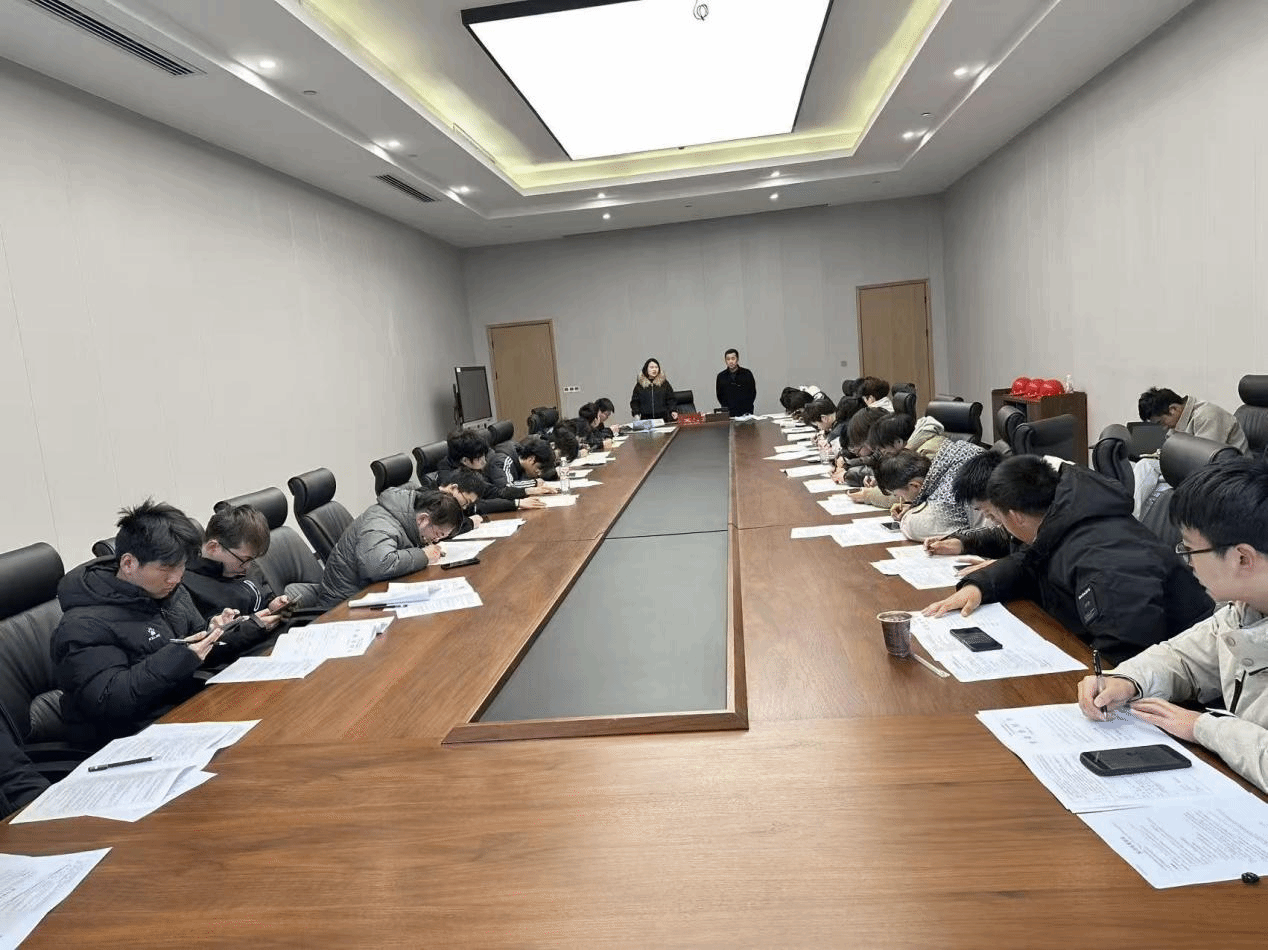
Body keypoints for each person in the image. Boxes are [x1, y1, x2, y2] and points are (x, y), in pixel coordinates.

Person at [1077, 457, 1268, 793]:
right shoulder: (1246, 608)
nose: (1187, 560)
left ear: (1242, 558)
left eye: (1191, 549)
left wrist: (1202, 728)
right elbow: (1183, 658)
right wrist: (1128, 680)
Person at [924, 455, 1215, 663]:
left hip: (1171, 680)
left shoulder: (1104, 556)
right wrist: (979, 586)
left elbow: (1125, 652)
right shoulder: (1066, 518)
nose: (998, 525)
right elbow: (1029, 562)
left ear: (1015, 516)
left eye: (995, 517)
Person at [52, 500, 238, 744]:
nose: (176, 578)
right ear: (129, 564)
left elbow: (191, 640)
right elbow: (109, 700)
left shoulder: (169, 592)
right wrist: (179, 657)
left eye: (182, 566)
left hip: (186, 714)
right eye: (166, 569)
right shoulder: (83, 625)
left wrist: (213, 631)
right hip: (129, 740)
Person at [313, 489, 463, 610]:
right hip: (343, 604)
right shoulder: (381, 523)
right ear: (423, 519)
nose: (436, 540)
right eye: (437, 534)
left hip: (368, 593)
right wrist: (423, 555)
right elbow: (377, 565)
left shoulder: (404, 516)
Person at [181, 504, 290, 639]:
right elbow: (205, 641)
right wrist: (255, 626)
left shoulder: (241, 561)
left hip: (272, 635)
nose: (248, 567)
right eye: (245, 560)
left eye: (252, 559)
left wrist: (273, 605)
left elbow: (262, 596)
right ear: (213, 547)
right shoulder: (187, 585)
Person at [876, 442, 987, 541]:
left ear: (914, 485)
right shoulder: (946, 459)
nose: (901, 499)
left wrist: (912, 512)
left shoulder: (947, 493)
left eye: (897, 494)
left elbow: (915, 525)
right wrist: (914, 506)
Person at [923, 450, 1012, 559]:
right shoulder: (1014, 525)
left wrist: (997, 565)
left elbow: (1027, 559)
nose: (988, 517)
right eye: (981, 511)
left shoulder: (1029, 517)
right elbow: (1003, 536)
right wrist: (961, 543)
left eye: (988, 511)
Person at [1138, 386, 1248, 453]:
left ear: (1173, 409)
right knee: (1145, 465)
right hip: (1199, 469)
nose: (1164, 427)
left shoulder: (1207, 416)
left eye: (1161, 422)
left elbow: (1204, 457)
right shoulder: (1179, 421)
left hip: (1233, 474)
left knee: (1148, 468)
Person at [488, 436, 557, 491]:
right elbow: (507, 487)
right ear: (531, 459)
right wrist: (534, 483)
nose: (539, 473)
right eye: (539, 468)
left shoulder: (520, 462)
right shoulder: (503, 460)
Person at [715, 348, 757, 417]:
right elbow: (719, 395)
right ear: (725, 361)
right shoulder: (721, 376)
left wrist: (747, 405)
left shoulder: (747, 373)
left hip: (746, 412)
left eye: (733, 358)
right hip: (729, 413)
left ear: (737, 359)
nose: (730, 361)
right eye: (728, 359)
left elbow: (752, 393)